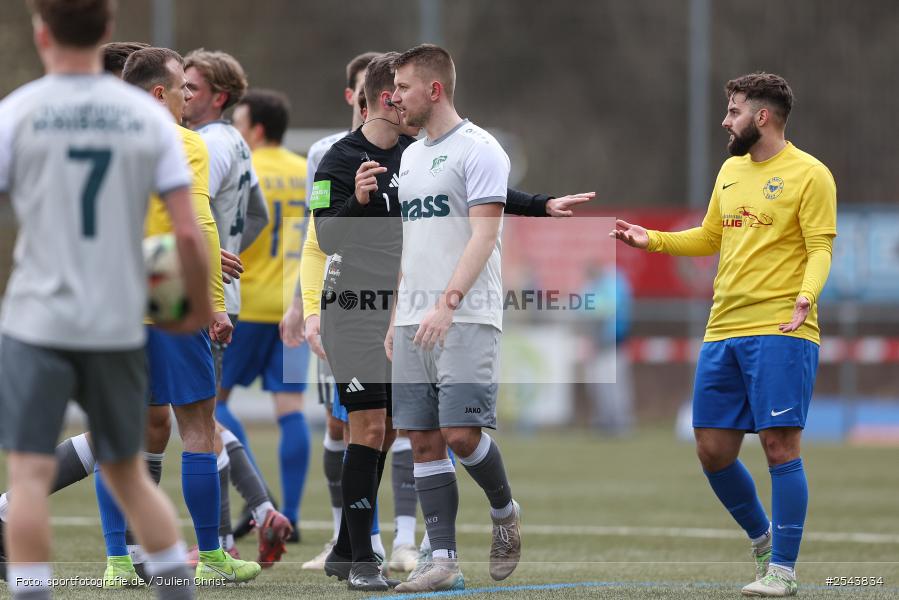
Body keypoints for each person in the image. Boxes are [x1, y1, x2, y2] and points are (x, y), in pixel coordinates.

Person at [0, 1, 208, 598]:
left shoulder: (19, 112)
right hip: (119, 320)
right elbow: (184, 232)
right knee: (130, 471)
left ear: (41, 32)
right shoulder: (147, 120)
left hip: (37, 319)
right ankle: (177, 593)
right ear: (109, 32)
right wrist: (182, 312)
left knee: (30, 477)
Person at [611, 72, 836, 597]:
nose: (724, 120)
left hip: (782, 328)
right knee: (712, 449)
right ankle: (761, 537)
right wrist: (654, 240)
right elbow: (710, 236)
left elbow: (821, 246)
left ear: (762, 117)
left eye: (733, 111)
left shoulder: (811, 174)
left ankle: (781, 570)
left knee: (780, 446)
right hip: (723, 329)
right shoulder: (731, 171)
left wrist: (807, 295)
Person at [91, 46, 262, 585]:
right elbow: (198, 227)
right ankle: (211, 556)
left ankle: (118, 561)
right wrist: (213, 302)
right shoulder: (183, 142)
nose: (189, 97)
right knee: (198, 426)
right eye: (181, 87)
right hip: (164, 276)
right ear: (160, 93)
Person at [387, 43, 527, 592]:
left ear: (434, 89)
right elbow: (411, 242)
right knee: (421, 439)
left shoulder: (480, 148)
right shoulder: (410, 156)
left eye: (401, 86)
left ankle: (503, 511)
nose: (394, 96)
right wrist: (398, 312)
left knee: (461, 433)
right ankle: (441, 560)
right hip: (413, 317)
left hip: (466, 315)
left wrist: (446, 306)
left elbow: (485, 235)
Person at [228, 87, 310, 546]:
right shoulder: (306, 170)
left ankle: (261, 497)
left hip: (249, 302)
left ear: (256, 129)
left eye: (239, 124)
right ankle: (291, 516)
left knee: (210, 404)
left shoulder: (246, 168)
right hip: (295, 306)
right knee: (290, 409)